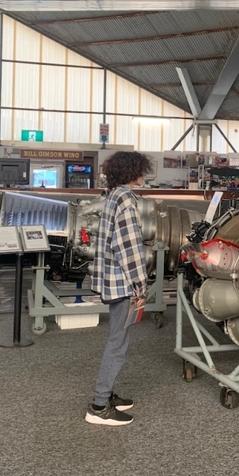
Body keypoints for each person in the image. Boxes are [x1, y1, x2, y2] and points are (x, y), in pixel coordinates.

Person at [86, 151, 152, 427]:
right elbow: (129, 248)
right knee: (117, 344)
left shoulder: (113, 195)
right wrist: (140, 284)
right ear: (132, 171)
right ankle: (99, 406)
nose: (145, 175)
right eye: (142, 170)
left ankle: (107, 394)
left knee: (116, 340)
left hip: (112, 281)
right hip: (124, 283)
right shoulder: (126, 199)